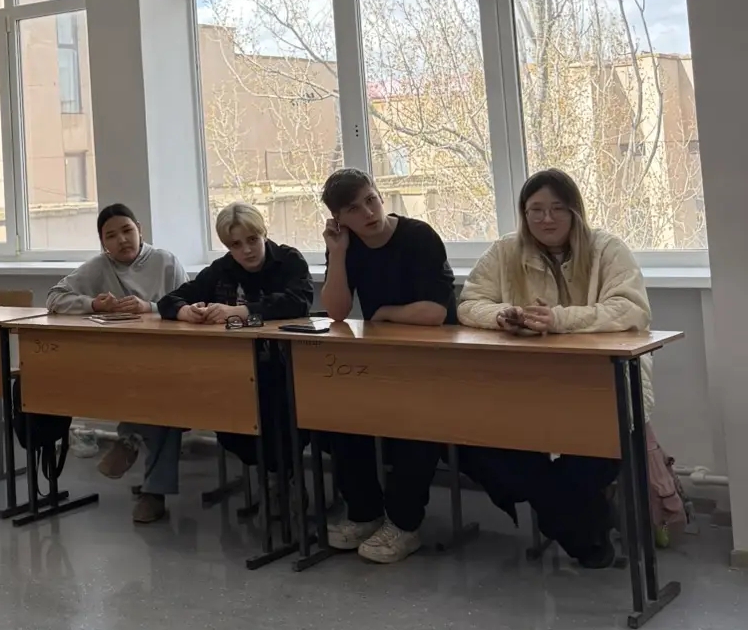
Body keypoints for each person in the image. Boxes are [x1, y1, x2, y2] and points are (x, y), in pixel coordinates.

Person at [458, 167, 649, 567]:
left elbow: (630, 309)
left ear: (575, 211)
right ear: (524, 213)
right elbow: (470, 302)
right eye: (536, 210)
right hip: (524, 386)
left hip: (599, 385)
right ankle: (588, 523)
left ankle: (579, 533)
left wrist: (560, 319)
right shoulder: (505, 251)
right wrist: (502, 315)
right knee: (475, 447)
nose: (546, 219)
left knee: (590, 463)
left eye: (557, 209)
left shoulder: (607, 249)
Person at [140, 202, 313, 526]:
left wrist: (241, 312)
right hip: (234, 372)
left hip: (284, 368)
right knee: (223, 413)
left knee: (276, 410)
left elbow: (299, 302)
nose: (246, 250)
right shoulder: (223, 269)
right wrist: (186, 311)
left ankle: (284, 479)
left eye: (252, 240)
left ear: (263, 234)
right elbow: (170, 300)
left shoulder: (288, 260)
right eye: (236, 244)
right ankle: (270, 475)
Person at [318, 168, 456, 565]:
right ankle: (365, 514)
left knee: (415, 422)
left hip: (435, 361)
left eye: (371, 200)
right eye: (353, 209)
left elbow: (436, 313)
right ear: (339, 220)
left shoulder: (419, 237)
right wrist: (338, 254)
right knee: (341, 415)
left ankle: (404, 524)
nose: (368, 213)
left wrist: (384, 313)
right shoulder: (346, 245)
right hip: (382, 359)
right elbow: (337, 311)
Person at [45, 202, 186, 485]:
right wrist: (94, 304)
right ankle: (152, 488)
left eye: (127, 231)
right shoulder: (100, 266)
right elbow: (54, 298)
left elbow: (191, 305)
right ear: (103, 243)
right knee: (157, 396)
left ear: (139, 230)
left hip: (172, 355)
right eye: (111, 236)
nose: (122, 240)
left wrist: (150, 307)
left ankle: (130, 439)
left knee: (164, 393)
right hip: (126, 362)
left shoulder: (165, 262)